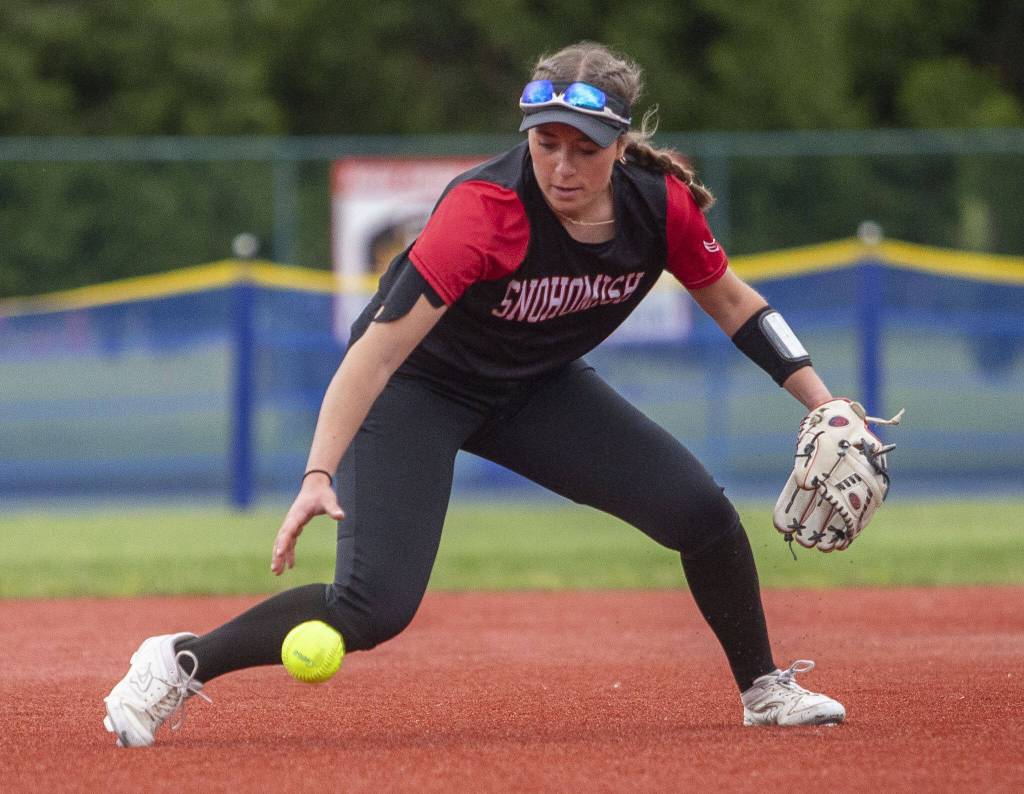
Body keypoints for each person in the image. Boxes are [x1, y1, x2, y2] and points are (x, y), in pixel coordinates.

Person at [103, 41, 846, 747]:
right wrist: (316, 475)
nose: (561, 165)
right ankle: (178, 662)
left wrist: (824, 403)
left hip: (535, 388)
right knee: (372, 607)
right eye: (545, 142)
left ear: (620, 146)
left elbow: (736, 306)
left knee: (701, 513)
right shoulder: (486, 212)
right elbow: (377, 353)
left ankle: (764, 689)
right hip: (417, 388)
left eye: (585, 147)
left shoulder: (660, 205)